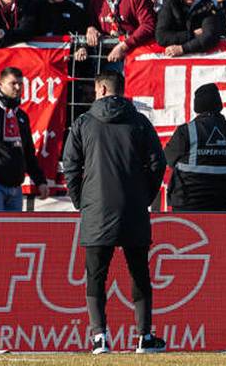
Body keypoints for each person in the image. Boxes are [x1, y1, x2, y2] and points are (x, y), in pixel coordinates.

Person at [61, 71, 167, 354]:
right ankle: (144, 337)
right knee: (139, 273)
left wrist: (80, 200)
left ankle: (99, 337)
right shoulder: (140, 122)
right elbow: (158, 163)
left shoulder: (83, 122)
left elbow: (70, 165)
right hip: (133, 208)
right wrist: (144, 195)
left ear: (103, 89)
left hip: (96, 209)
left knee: (96, 275)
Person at [0, 67, 49, 211]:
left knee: (12, 233)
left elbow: (28, 152)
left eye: (20, 83)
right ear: (0, 84)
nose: (17, 87)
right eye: (13, 83)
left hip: (15, 187)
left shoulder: (21, 115)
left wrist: (40, 181)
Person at [163, 83, 226, 211]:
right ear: (219, 105)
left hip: (188, 204)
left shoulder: (187, 131)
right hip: (222, 204)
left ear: (197, 106)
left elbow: (168, 158)